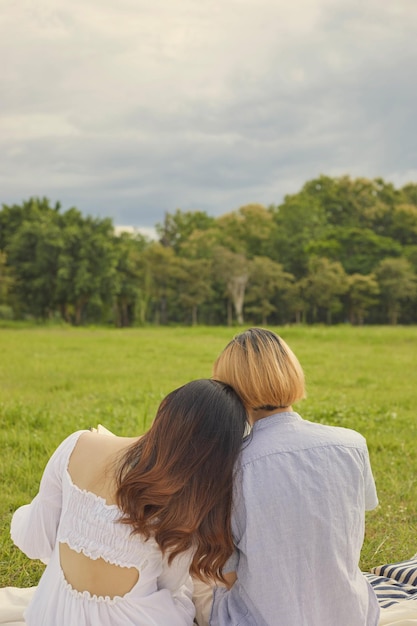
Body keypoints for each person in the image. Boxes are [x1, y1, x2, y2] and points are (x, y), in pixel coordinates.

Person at [10, 379, 248, 626]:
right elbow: (170, 585)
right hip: (134, 619)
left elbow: (34, 540)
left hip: (52, 615)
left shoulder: (76, 445)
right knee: (185, 593)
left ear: (164, 407)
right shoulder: (185, 505)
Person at [206, 327, 380, 626]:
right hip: (352, 615)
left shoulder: (230, 464)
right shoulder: (352, 444)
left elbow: (227, 571)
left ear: (230, 389)